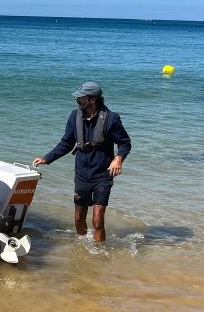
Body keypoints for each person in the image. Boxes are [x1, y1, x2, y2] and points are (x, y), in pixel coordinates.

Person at [32, 82, 131, 242]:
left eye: (81, 96)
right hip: (82, 175)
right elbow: (66, 143)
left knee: (97, 220)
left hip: (103, 175)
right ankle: (83, 247)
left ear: (92, 99)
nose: (77, 99)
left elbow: (125, 143)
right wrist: (46, 158)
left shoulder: (112, 119)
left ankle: (98, 254)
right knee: (78, 219)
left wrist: (118, 158)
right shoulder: (74, 116)